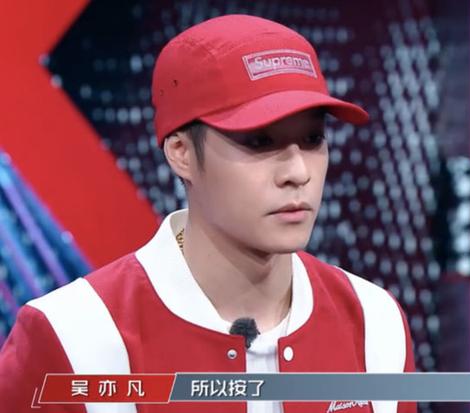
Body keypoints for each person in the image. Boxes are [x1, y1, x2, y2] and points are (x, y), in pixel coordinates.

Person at [0, 14, 416, 413]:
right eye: (260, 141)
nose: (298, 172)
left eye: (312, 139)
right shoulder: (71, 336)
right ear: (181, 153)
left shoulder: (374, 322)